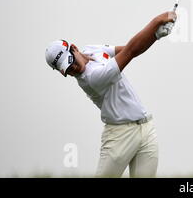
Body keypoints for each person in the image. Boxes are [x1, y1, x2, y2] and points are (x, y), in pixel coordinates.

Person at [45, 11, 177, 177]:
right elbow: (130, 51)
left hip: (146, 128)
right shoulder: (91, 80)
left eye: (71, 62)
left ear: (74, 49)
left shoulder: (92, 49)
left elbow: (128, 48)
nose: (73, 70)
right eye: (66, 70)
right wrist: (157, 21)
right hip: (119, 136)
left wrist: (155, 35)